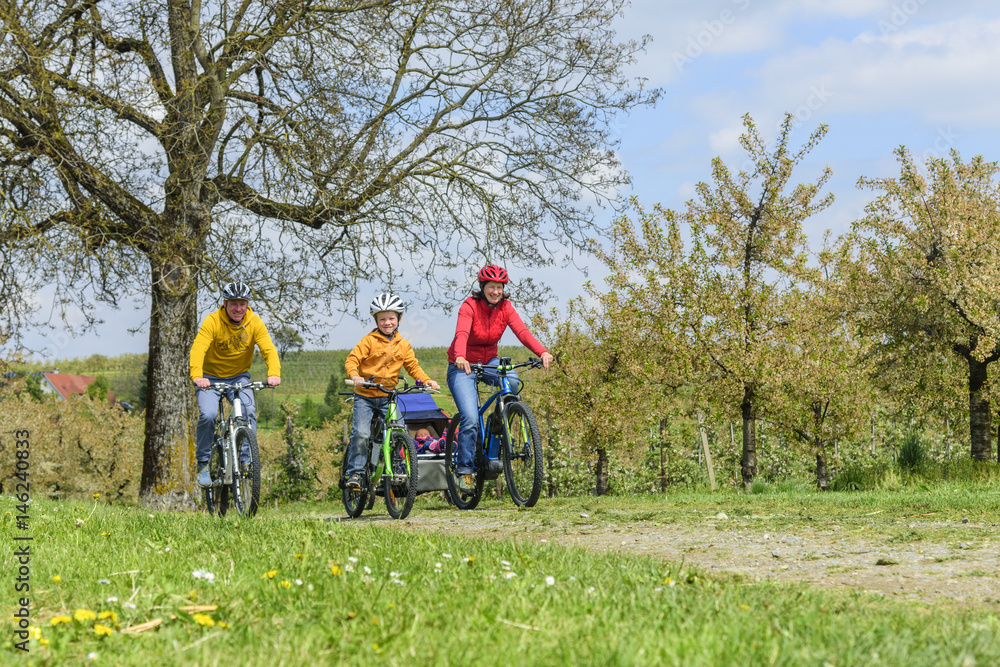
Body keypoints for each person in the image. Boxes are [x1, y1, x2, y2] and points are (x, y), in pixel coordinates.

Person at [447, 265, 554, 492]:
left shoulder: (505, 308)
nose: (495, 291)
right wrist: (459, 355)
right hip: (462, 365)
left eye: (499, 287)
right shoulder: (470, 306)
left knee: (512, 382)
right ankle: (465, 470)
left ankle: (498, 420)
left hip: (490, 363)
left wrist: (542, 351)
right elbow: (462, 333)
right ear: (482, 287)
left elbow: (522, 332)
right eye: (491, 287)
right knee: (469, 417)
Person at [343, 293, 440, 490]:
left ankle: (397, 467)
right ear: (376, 320)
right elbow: (352, 360)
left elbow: (413, 367)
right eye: (382, 319)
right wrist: (355, 376)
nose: (387, 322)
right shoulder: (369, 341)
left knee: (399, 431)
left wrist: (428, 380)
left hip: (389, 397)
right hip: (366, 396)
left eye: (391, 318)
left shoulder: (403, 345)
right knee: (361, 434)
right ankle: (355, 473)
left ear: (399, 319)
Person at [189, 281, 281, 487]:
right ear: (225, 303)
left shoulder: (254, 322)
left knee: (248, 412)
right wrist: (197, 376)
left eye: (242, 303)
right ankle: (203, 463)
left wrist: (274, 373)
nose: (238, 308)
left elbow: (268, 349)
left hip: (238, 377)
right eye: (233, 304)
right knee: (209, 415)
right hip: (208, 378)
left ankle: (246, 461)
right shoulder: (212, 321)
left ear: (247, 304)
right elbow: (198, 348)